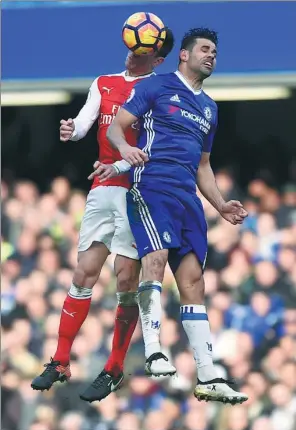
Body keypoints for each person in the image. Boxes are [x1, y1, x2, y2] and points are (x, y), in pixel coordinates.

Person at [103, 27, 249, 404]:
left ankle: (208, 374)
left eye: (215, 51)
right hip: (153, 185)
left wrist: (220, 204)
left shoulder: (209, 108)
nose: (211, 55)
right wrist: (125, 152)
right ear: (183, 55)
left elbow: (204, 165)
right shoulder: (157, 86)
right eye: (204, 49)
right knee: (155, 258)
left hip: (188, 197)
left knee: (194, 281)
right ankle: (153, 349)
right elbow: (118, 129)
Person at [31, 27, 175, 403]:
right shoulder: (104, 82)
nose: (132, 53)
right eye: (131, 46)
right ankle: (60, 360)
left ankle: (113, 367)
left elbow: (154, 146)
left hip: (137, 191)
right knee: (83, 273)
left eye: (141, 51)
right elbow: (85, 122)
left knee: (125, 278)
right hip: (102, 187)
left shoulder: (160, 90)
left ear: (157, 59)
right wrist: (71, 129)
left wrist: (123, 166)